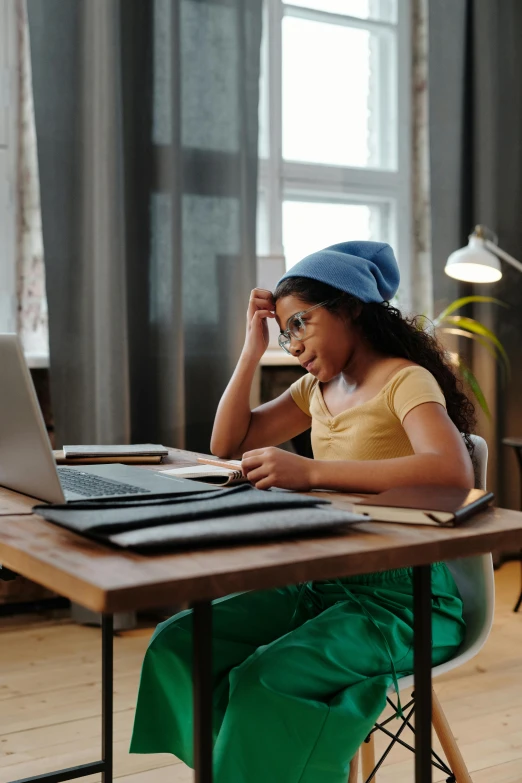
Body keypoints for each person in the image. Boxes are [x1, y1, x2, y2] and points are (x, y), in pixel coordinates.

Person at [130, 241, 475, 783]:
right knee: (180, 642)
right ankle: (238, 771)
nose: (292, 344)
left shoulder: (405, 379)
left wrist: (310, 472)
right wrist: (251, 348)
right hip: (324, 581)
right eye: (285, 332)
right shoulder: (317, 388)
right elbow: (228, 442)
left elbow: (452, 475)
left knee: (266, 679)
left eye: (301, 325)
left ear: (349, 307)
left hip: (405, 599)